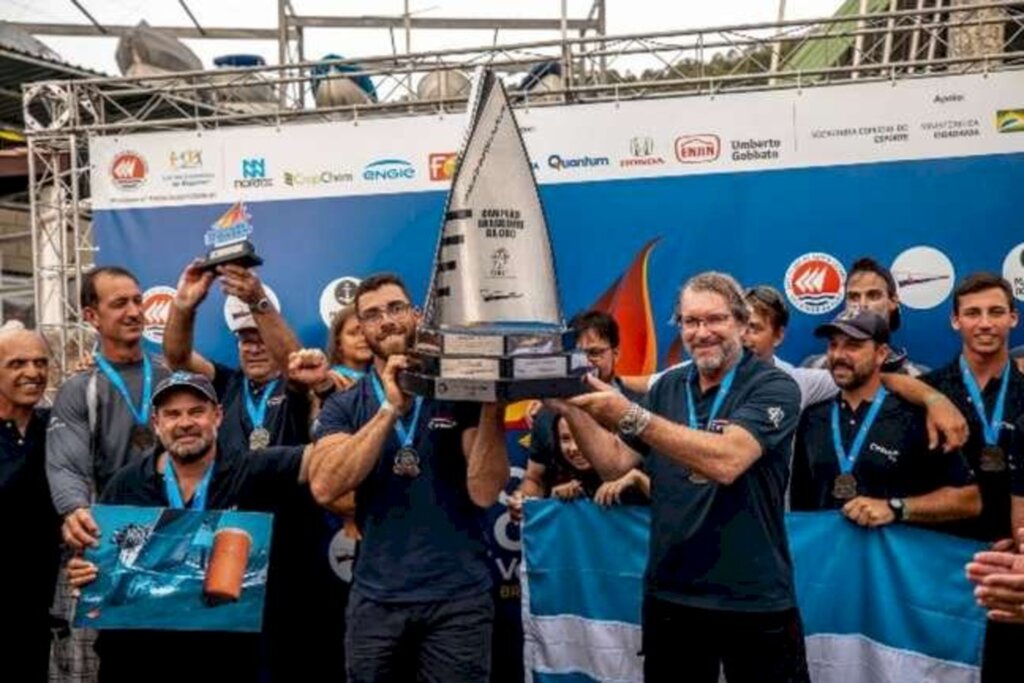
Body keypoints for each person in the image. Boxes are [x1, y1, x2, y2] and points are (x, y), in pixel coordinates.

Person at [552, 271, 809, 683]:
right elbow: (616, 464)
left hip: (753, 597)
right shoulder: (668, 386)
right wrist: (570, 408)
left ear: (742, 324)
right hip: (672, 595)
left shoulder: (774, 386)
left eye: (715, 320)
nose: (701, 332)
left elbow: (728, 461)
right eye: (691, 322)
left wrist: (632, 416)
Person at [66, 369, 354, 683]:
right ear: (156, 423)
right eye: (172, 414)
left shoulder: (255, 469)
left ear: (217, 416)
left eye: (196, 412)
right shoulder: (126, 485)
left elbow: (328, 458)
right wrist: (86, 570)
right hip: (142, 659)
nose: (185, 423)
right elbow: (99, 562)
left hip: (230, 659)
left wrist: (339, 408)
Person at [308, 272, 510, 683]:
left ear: (416, 315)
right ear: (362, 329)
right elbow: (325, 485)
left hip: (458, 600)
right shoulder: (345, 405)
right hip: (376, 600)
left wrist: (492, 407)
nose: (387, 320)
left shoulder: (460, 393)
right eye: (373, 314)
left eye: (396, 308)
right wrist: (389, 412)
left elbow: (486, 492)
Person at [789, 310, 980, 528]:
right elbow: (801, 509)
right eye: (833, 345)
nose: (838, 355)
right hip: (832, 559)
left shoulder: (914, 416)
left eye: (853, 346)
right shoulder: (813, 417)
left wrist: (896, 508)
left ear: (881, 354)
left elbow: (969, 499)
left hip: (894, 558)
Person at [47, 266, 172, 548]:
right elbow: (67, 466)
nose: (134, 312)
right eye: (119, 304)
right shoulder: (80, 388)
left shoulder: (169, 376)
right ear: (92, 316)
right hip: (108, 532)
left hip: (173, 527)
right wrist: (75, 509)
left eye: (138, 301)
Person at [163, 260, 319, 452]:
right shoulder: (227, 383)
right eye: (246, 341)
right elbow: (178, 360)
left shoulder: (295, 386)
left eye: (261, 340)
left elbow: (298, 367)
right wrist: (182, 308)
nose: (254, 349)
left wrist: (257, 300)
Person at [516, 311, 645, 520]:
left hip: (635, 537)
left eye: (594, 353)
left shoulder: (641, 407)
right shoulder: (548, 412)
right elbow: (535, 479)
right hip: (575, 541)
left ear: (616, 353)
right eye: (577, 356)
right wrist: (524, 499)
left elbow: (666, 486)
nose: (586, 364)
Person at [0, 322, 62, 682]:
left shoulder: (56, 427)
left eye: (40, 362)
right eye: (17, 364)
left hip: (38, 605)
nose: (33, 372)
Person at [802, 257, 928, 375]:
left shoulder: (918, 376)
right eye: (854, 297)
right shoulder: (814, 367)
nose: (862, 305)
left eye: (873, 295)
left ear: (893, 302)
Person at [325, 304, 372, 391]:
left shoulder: (383, 376)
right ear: (338, 343)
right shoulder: (330, 382)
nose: (363, 338)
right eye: (353, 333)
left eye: (366, 332)